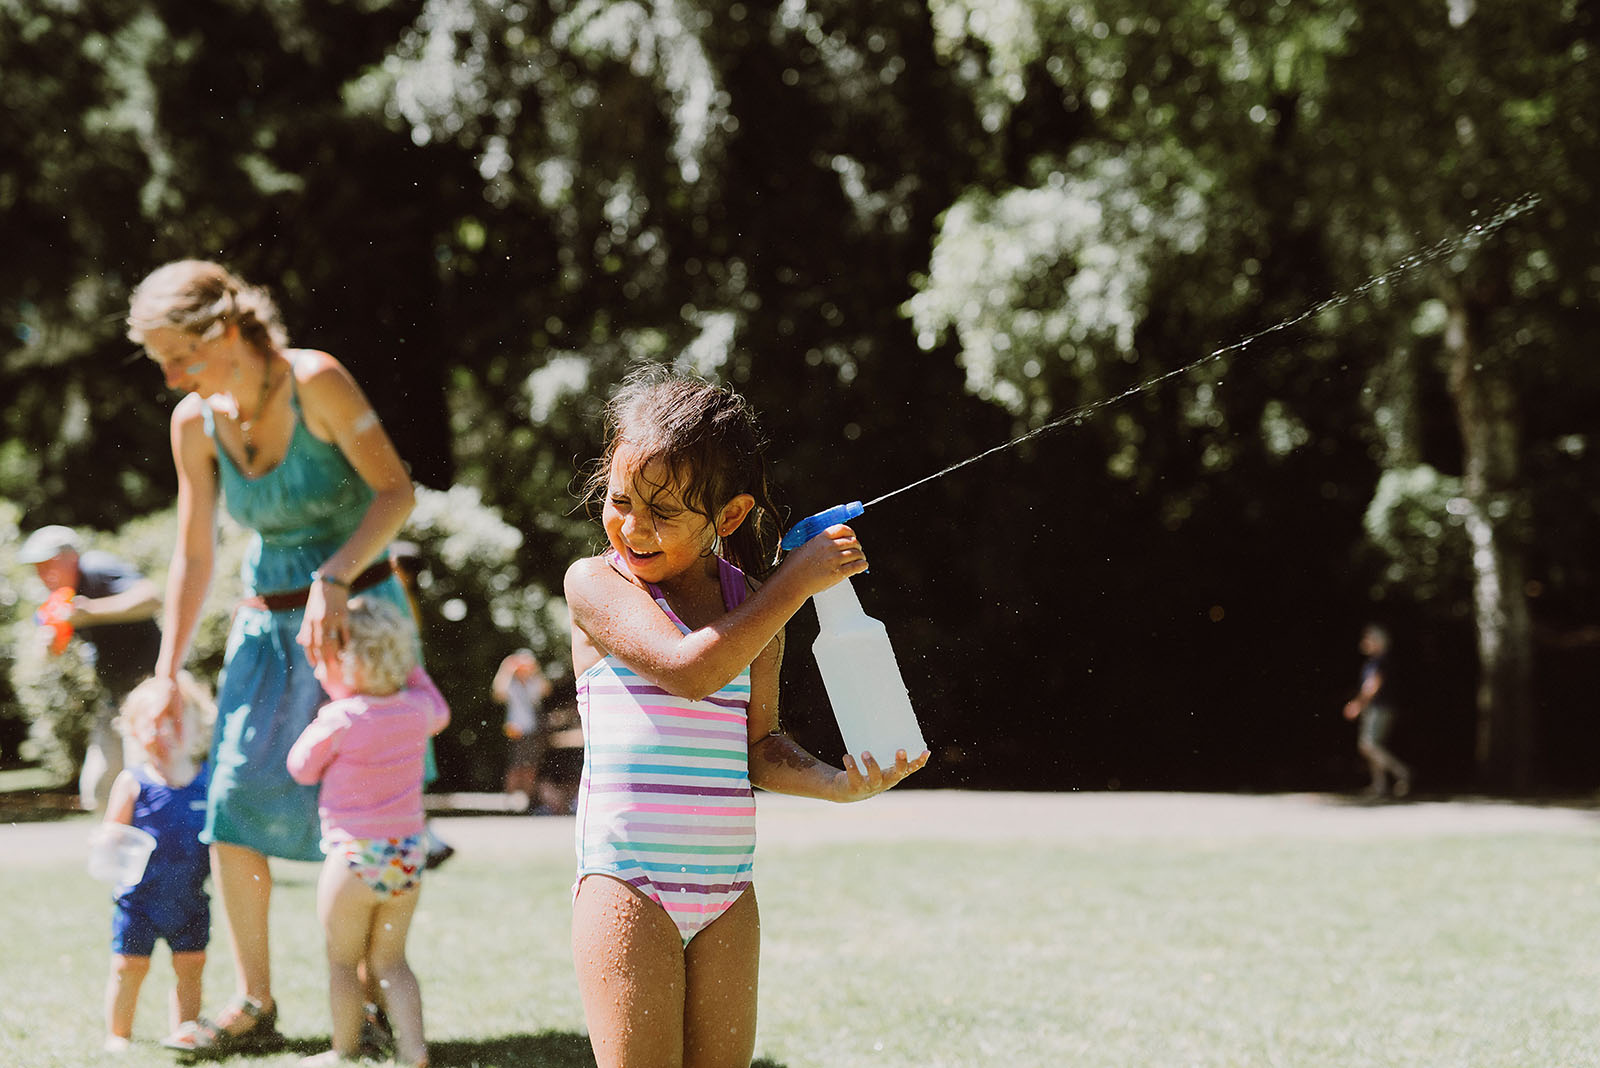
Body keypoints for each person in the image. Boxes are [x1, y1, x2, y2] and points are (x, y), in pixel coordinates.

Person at [564, 366, 930, 1068]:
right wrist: (797, 582)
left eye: (663, 512)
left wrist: (837, 784)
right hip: (628, 881)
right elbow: (687, 669)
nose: (632, 528)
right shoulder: (596, 583)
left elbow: (759, 746)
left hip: (726, 886)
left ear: (727, 517)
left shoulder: (754, 604)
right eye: (619, 501)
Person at [126, 260, 418, 1058]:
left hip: (358, 624)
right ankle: (254, 1001)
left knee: (356, 814)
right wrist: (166, 670)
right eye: (161, 363)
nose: (172, 377)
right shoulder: (195, 422)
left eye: (178, 356)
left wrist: (334, 575)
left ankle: (370, 992)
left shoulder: (315, 381)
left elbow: (396, 492)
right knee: (230, 806)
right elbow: (192, 555)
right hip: (266, 631)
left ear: (223, 332)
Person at [287, 597, 450, 1068]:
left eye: (324, 661)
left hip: (354, 858)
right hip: (407, 857)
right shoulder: (417, 710)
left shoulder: (341, 717)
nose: (318, 671)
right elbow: (438, 706)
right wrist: (409, 667)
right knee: (392, 961)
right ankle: (413, 1048)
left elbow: (299, 767)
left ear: (347, 661)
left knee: (341, 960)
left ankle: (343, 1049)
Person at [95, 673, 214, 1053]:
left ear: (198, 729)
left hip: (190, 898)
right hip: (139, 900)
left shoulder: (207, 782)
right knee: (128, 969)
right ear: (133, 730)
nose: (163, 730)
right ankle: (119, 1034)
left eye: (174, 720)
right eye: (151, 722)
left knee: (191, 966)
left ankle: (184, 1030)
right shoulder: (133, 782)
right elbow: (112, 832)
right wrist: (111, 840)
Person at [19, 524, 162, 812]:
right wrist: (48, 644)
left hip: (148, 692)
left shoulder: (97, 567)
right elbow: (46, 650)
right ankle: (121, 847)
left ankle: (158, 849)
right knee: (98, 791)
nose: (42, 574)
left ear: (71, 557)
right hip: (113, 698)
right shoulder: (57, 597)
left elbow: (152, 599)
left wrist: (92, 613)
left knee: (146, 782)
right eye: (37, 567)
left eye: (48, 564)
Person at [1343, 623, 1412, 799]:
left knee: (1368, 745)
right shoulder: (1374, 661)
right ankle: (1379, 786)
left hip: (1380, 708)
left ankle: (1402, 772)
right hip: (1377, 707)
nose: (1364, 641)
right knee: (1375, 745)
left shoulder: (1380, 661)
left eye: (1368, 638)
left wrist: (1357, 704)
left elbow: (1372, 686)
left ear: (1378, 641)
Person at [492, 648, 555, 809]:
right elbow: (498, 693)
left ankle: (526, 802)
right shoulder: (511, 684)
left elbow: (546, 690)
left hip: (533, 730)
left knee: (530, 767)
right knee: (515, 767)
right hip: (516, 730)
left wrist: (536, 671)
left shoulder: (533, 682)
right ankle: (510, 800)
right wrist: (507, 668)